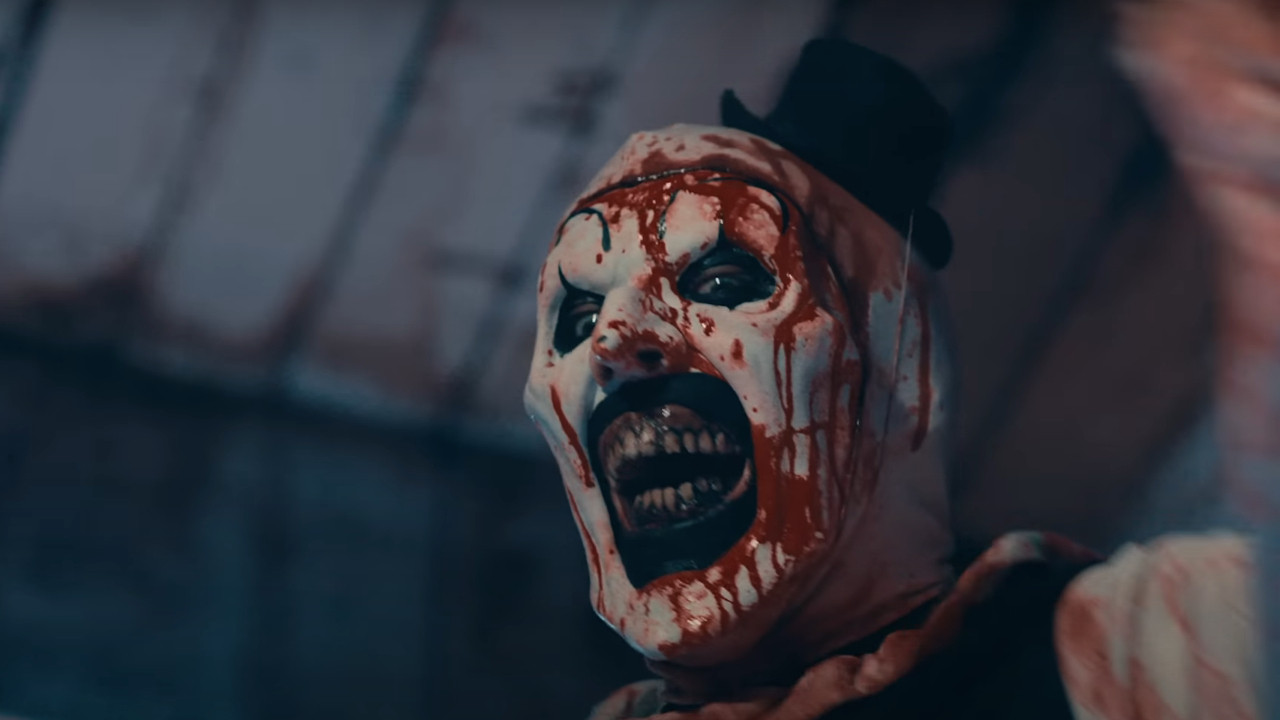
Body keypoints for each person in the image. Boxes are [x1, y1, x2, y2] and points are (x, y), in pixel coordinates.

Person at [522, 6, 1273, 716]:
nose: (611, 342)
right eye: (578, 318)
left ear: (900, 365)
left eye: (721, 283)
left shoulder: (1141, 658)